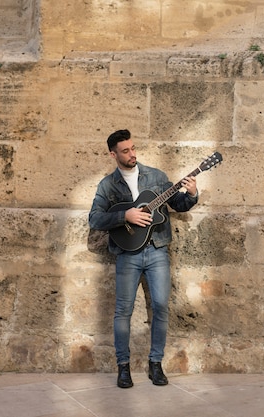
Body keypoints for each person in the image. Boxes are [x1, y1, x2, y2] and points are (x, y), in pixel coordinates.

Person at [88, 129, 198, 388]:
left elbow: (178, 205)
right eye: (125, 151)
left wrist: (191, 193)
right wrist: (125, 216)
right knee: (123, 312)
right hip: (127, 254)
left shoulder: (157, 177)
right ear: (113, 154)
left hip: (157, 250)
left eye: (133, 148)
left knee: (160, 307)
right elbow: (94, 218)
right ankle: (123, 367)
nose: (132, 154)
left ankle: (156, 364)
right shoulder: (107, 185)